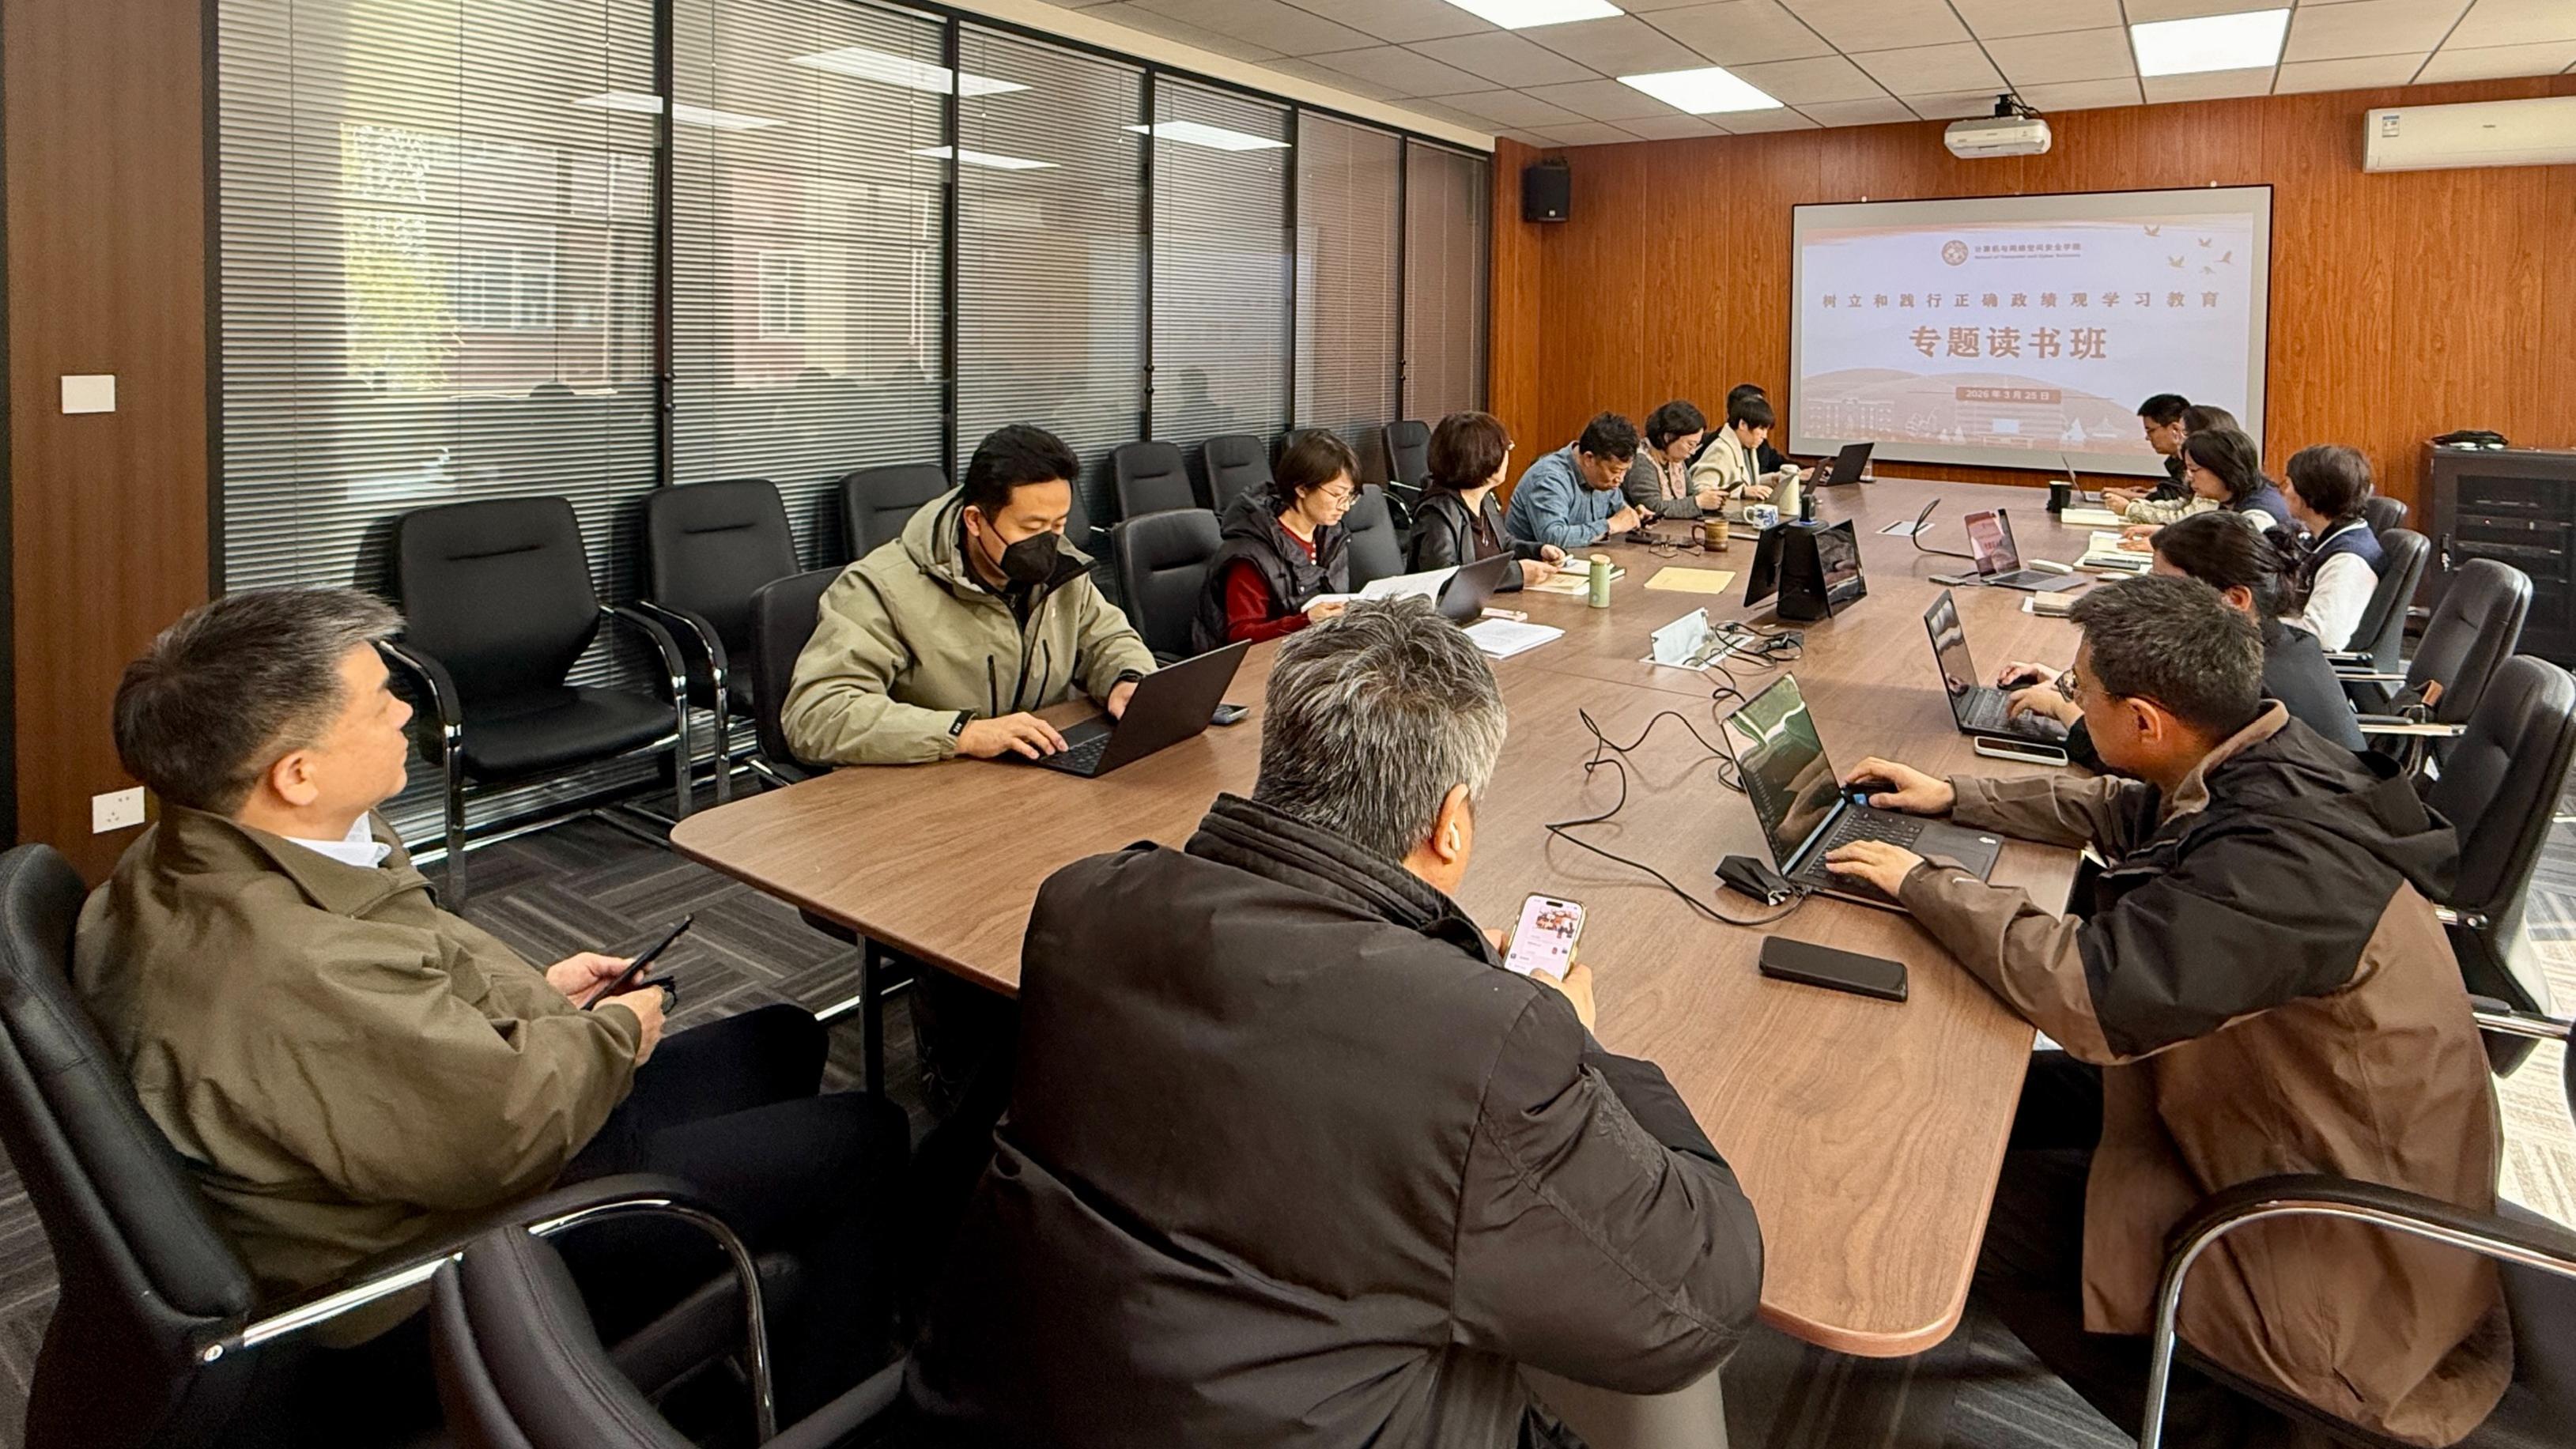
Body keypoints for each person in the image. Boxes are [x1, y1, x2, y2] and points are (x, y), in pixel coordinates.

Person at [906, 598, 1766, 1447]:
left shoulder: (1081, 899)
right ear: (1451, 825)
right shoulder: (1484, 1047)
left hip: (998, 1406)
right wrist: (1578, 1040)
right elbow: (1703, 1297)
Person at [79, 588, 909, 1422]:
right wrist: (614, 1035)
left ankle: (766, 1306)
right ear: (297, 774)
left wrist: (541, 998)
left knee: (783, 1039)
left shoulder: (210, 846)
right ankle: (830, 1411)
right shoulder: (292, 968)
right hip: (432, 1269)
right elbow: (502, 1132)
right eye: (379, 703)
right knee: (861, 1137)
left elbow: (416, 985)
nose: (406, 713)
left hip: (419, 1149)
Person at [1820, 575, 2506, 1449]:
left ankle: (2217, 1420)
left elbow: (2089, 995)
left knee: (1943, 1204)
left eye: (2081, 692)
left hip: (2336, 1260)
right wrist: (1956, 797)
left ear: (2146, 722)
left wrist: (1925, 882)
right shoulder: (2272, 755)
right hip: (2272, 1117)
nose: (2071, 701)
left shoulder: (2278, 864)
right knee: (1975, 1099)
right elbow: (2128, 810)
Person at [784, 424, 1156, 765]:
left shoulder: (1062, 571)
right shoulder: (881, 587)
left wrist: (1127, 680)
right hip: (929, 782)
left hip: (1035, 772)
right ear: (975, 521)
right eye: (1031, 527)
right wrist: (962, 733)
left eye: (1058, 524)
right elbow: (817, 716)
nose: (1048, 542)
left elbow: (1107, 638)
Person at [1996, 510, 2366, 761]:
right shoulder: (2283, 642)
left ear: (2235, 600)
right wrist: (2080, 686)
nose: (2154, 598)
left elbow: (2154, 771)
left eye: (2168, 587)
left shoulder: (2246, 681)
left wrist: (2065, 710)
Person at [1192, 428, 1358, 651]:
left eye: (1350, 496)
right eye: (1337, 495)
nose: (1345, 506)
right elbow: (1241, 635)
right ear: (1302, 488)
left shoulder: (1332, 537)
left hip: (1315, 651)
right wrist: (1306, 621)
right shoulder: (1252, 552)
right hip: (1264, 661)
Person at [1407, 409, 1563, 589]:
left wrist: (1538, 551)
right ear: (1484, 458)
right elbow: (1441, 579)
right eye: (1506, 448)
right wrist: (1515, 574)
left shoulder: (1484, 497)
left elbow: (1503, 544)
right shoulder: (1437, 513)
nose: (1508, 455)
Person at [2281, 443, 2385, 653]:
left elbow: (2322, 637)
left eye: (2289, 484)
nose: (2284, 491)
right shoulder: (2326, 538)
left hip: (2310, 665)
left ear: (2311, 495)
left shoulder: (2347, 561)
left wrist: (2254, 623)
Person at [1502, 411, 1649, 552]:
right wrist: (1610, 526)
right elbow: (1553, 538)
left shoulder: (1604, 480)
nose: (1620, 479)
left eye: (1625, 471)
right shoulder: (1550, 478)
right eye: (1615, 471)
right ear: (1589, 458)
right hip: (1535, 564)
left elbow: (1618, 509)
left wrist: (1633, 515)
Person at [2117, 427, 2291, 530]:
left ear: (2223, 469)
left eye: (2194, 470)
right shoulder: (2232, 498)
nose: (2188, 478)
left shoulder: (2257, 517)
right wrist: (2163, 535)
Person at [1686, 393, 1789, 508]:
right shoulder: (1720, 450)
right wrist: (1742, 492)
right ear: (1742, 424)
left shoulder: (1747, 447)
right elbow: (1700, 490)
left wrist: (1770, 479)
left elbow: (1742, 481)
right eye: (1761, 429)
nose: (1764, 436)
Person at [1622, 399, 1719, 519]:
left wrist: (1710, 498)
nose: (1693, 451)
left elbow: (1690, 494)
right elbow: (1653, 508)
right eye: (1690, 444)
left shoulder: (1675, 458)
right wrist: (1699, 502)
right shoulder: (1640, 461)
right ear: (1668, 437)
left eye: (1696, 445)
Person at [2102, 393, 2190, 510]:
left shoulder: (2199, 459)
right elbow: (2174, 489)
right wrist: (2151, 492)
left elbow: (2180, 500)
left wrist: (2129, 496)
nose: (2147, 437)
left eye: (2151, 431)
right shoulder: (2175, 461)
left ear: (2175, 429)